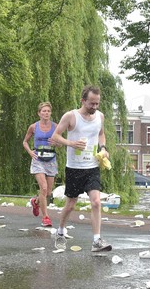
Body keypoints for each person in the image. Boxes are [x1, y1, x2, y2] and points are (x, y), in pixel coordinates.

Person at [51, 85, 112, 252]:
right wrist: (71, 143)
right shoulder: (71, 116)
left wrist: (104, 148)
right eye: (91, 103)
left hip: (92, 166)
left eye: (97, 103)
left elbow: (100, 133)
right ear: (83, 100)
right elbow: (55, 136)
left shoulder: (100, 116)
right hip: (74, 168)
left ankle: (97, 241)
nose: (94, 107)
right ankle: (61, 232)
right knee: (70, 205)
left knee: (96, 202)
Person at [23, 102, 59, 227]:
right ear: (39, 113)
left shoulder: (56, 126)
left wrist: (56, 143)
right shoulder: (33, 127)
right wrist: (30, 152)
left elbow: (61, 142)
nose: (46, 113)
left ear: (50, 113)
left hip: (51, 160)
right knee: (43, 188)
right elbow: (25, 142)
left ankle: (36, 202)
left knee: (48, 192)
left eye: (48, 111)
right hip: (38, 160)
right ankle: (46, 217)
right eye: (44, 111)